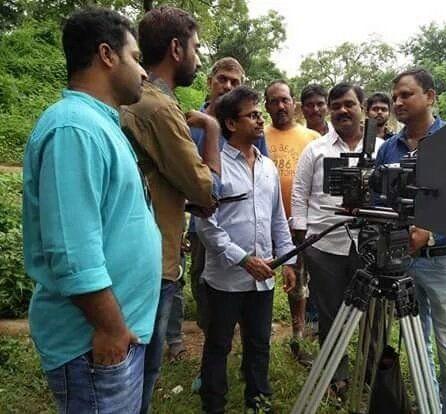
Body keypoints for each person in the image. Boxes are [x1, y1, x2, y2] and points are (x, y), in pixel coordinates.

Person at [22, 8, 160, 413]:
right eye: (135, 57)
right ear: (106, 55)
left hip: (115, 336)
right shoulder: (74, 129)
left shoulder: (100, 124)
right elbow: (73, 250)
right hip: (96, 344)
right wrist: (110, 328)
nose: (144, 72)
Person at [120, 6, 219, 413]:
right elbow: (206, 187)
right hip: (151, 266)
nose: (198, 58)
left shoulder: (143, 102)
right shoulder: (159, 107)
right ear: (177, 48)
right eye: (196, 48)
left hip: (148, 256)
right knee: (140, 378)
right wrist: (211, 128)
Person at [375, 68, 446, 414]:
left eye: (406, 94)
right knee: (417, 348)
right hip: (403, 262)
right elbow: (381, 200)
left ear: (430, 96)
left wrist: (433, 231)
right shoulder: (388, 149)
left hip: (445, 261)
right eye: (394, 96)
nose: (398, 102)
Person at [196, 86, 296, 414]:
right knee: (218, 346)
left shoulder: (267, 167)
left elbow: (277, 219)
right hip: (225, 280)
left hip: (262, 280)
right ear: (230, 124)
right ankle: (214, 405)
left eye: (259, 114)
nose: (259, 120)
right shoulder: (214, 166)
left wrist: (289, 261)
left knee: (259, 345)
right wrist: (243, 260)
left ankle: (259, 402)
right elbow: (205, 226)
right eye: (252, 115)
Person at [290, 82, 366, 401]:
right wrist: (303, 241)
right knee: (330, 312)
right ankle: (338, 375)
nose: (342, 110)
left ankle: (370, 371)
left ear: (361, 106)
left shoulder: (381, 149)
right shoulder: (316, 149)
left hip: (369, 244)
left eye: (349, 104)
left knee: (369, 314)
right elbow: (299, 193)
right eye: (336, 106)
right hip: (323, 246)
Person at [187, 57, 269, 336]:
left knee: (247, 284)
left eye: (235, 82)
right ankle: (213, 339)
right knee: (203, 280)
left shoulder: (252, 124)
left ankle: (247, 341)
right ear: (210, 81)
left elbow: (262, 173)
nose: (227, 85)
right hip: (201, 221)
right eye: (222, 79)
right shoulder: (190, 123)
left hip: (243, 222)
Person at [263, 80, 319, 366]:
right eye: (274, 101)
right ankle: (258, 336)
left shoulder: (310, 137)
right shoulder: (259, 135)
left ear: (293, 102)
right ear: (267, 106)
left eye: (285, 100)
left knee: (298, 285)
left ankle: (297, 336)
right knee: (258, 282)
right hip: (262, 224)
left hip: (297, 225)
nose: (281, 105)